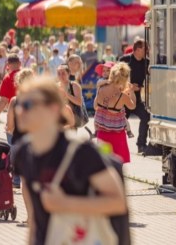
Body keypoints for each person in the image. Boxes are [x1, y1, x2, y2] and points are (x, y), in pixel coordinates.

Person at [13, 75, 129, 245]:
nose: (20, 111)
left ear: (52, 109)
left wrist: (65, 204)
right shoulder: (22, 153)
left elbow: (118, 202)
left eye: (28, 105)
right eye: (18, 105)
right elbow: (37, 219)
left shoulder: (81, 152)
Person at [94, 62, 135, 164]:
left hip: (102, 133)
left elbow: (96, 107)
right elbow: (132, 106)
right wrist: (132, 92)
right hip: (117, 135)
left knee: (103, 163)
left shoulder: (101, 89)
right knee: (117, 164)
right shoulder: (123, 96)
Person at [120, 40, 151, 152]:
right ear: (138, 50)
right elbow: (117, 78)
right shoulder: (124, 60)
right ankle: (118, 145)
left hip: (137, 99)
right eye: (145, 49)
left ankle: (141, 144)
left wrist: (140, 88)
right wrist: (130, 86)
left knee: (146, 117)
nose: (147, 51)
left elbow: (152, 78)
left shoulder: (147, 62)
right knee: (119, 122)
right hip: (123, 98)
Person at [0, 54, 21, 130]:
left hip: (14, 117)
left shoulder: (7, 78)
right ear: (20, 63)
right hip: (30, 116)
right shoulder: (28, 75)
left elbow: (3, 101)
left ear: (8, 65)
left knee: (11, 139)